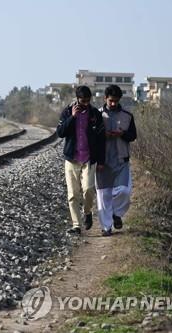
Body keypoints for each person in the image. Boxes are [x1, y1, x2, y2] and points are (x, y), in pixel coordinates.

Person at [57, 86, 105, 235]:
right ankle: (76, 225)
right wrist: (72, 117)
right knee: (72, 194)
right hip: (72, 159)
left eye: (87, 100)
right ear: (77, 99)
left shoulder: (95, 114)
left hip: (89, 159)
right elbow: (60, 133)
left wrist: (101, 161)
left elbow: (101, 139)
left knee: (89, 189)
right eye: (82, 100)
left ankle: (88, 212)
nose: (85, 103)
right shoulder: (67, 111)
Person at [95, 85, 137, 236]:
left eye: (116, 101)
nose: (113, 104)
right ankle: (106, 228)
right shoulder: (97, 115)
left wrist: (121, 134)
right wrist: (102, 135)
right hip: (102, 161)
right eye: (111, 100)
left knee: (124, 191)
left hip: (121, 160)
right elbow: (91, 137)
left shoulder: (127, 116)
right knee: (103, 195)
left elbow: (133, 136)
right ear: (105, 98)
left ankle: (116, 213)